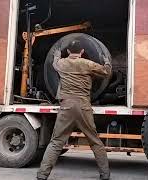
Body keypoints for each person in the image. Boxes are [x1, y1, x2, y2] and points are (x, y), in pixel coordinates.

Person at [37, 40, 112, 180]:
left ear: (69, 52)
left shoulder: (62, 63)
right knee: (95, 141)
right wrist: (107, 61)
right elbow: (106, 72)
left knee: (56, 142)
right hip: (83, 106)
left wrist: (57, 54)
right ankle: (105, 174)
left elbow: (54, 63)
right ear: (82, 51)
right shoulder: (87, 64)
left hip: (66, 106)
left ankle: (42, 175)